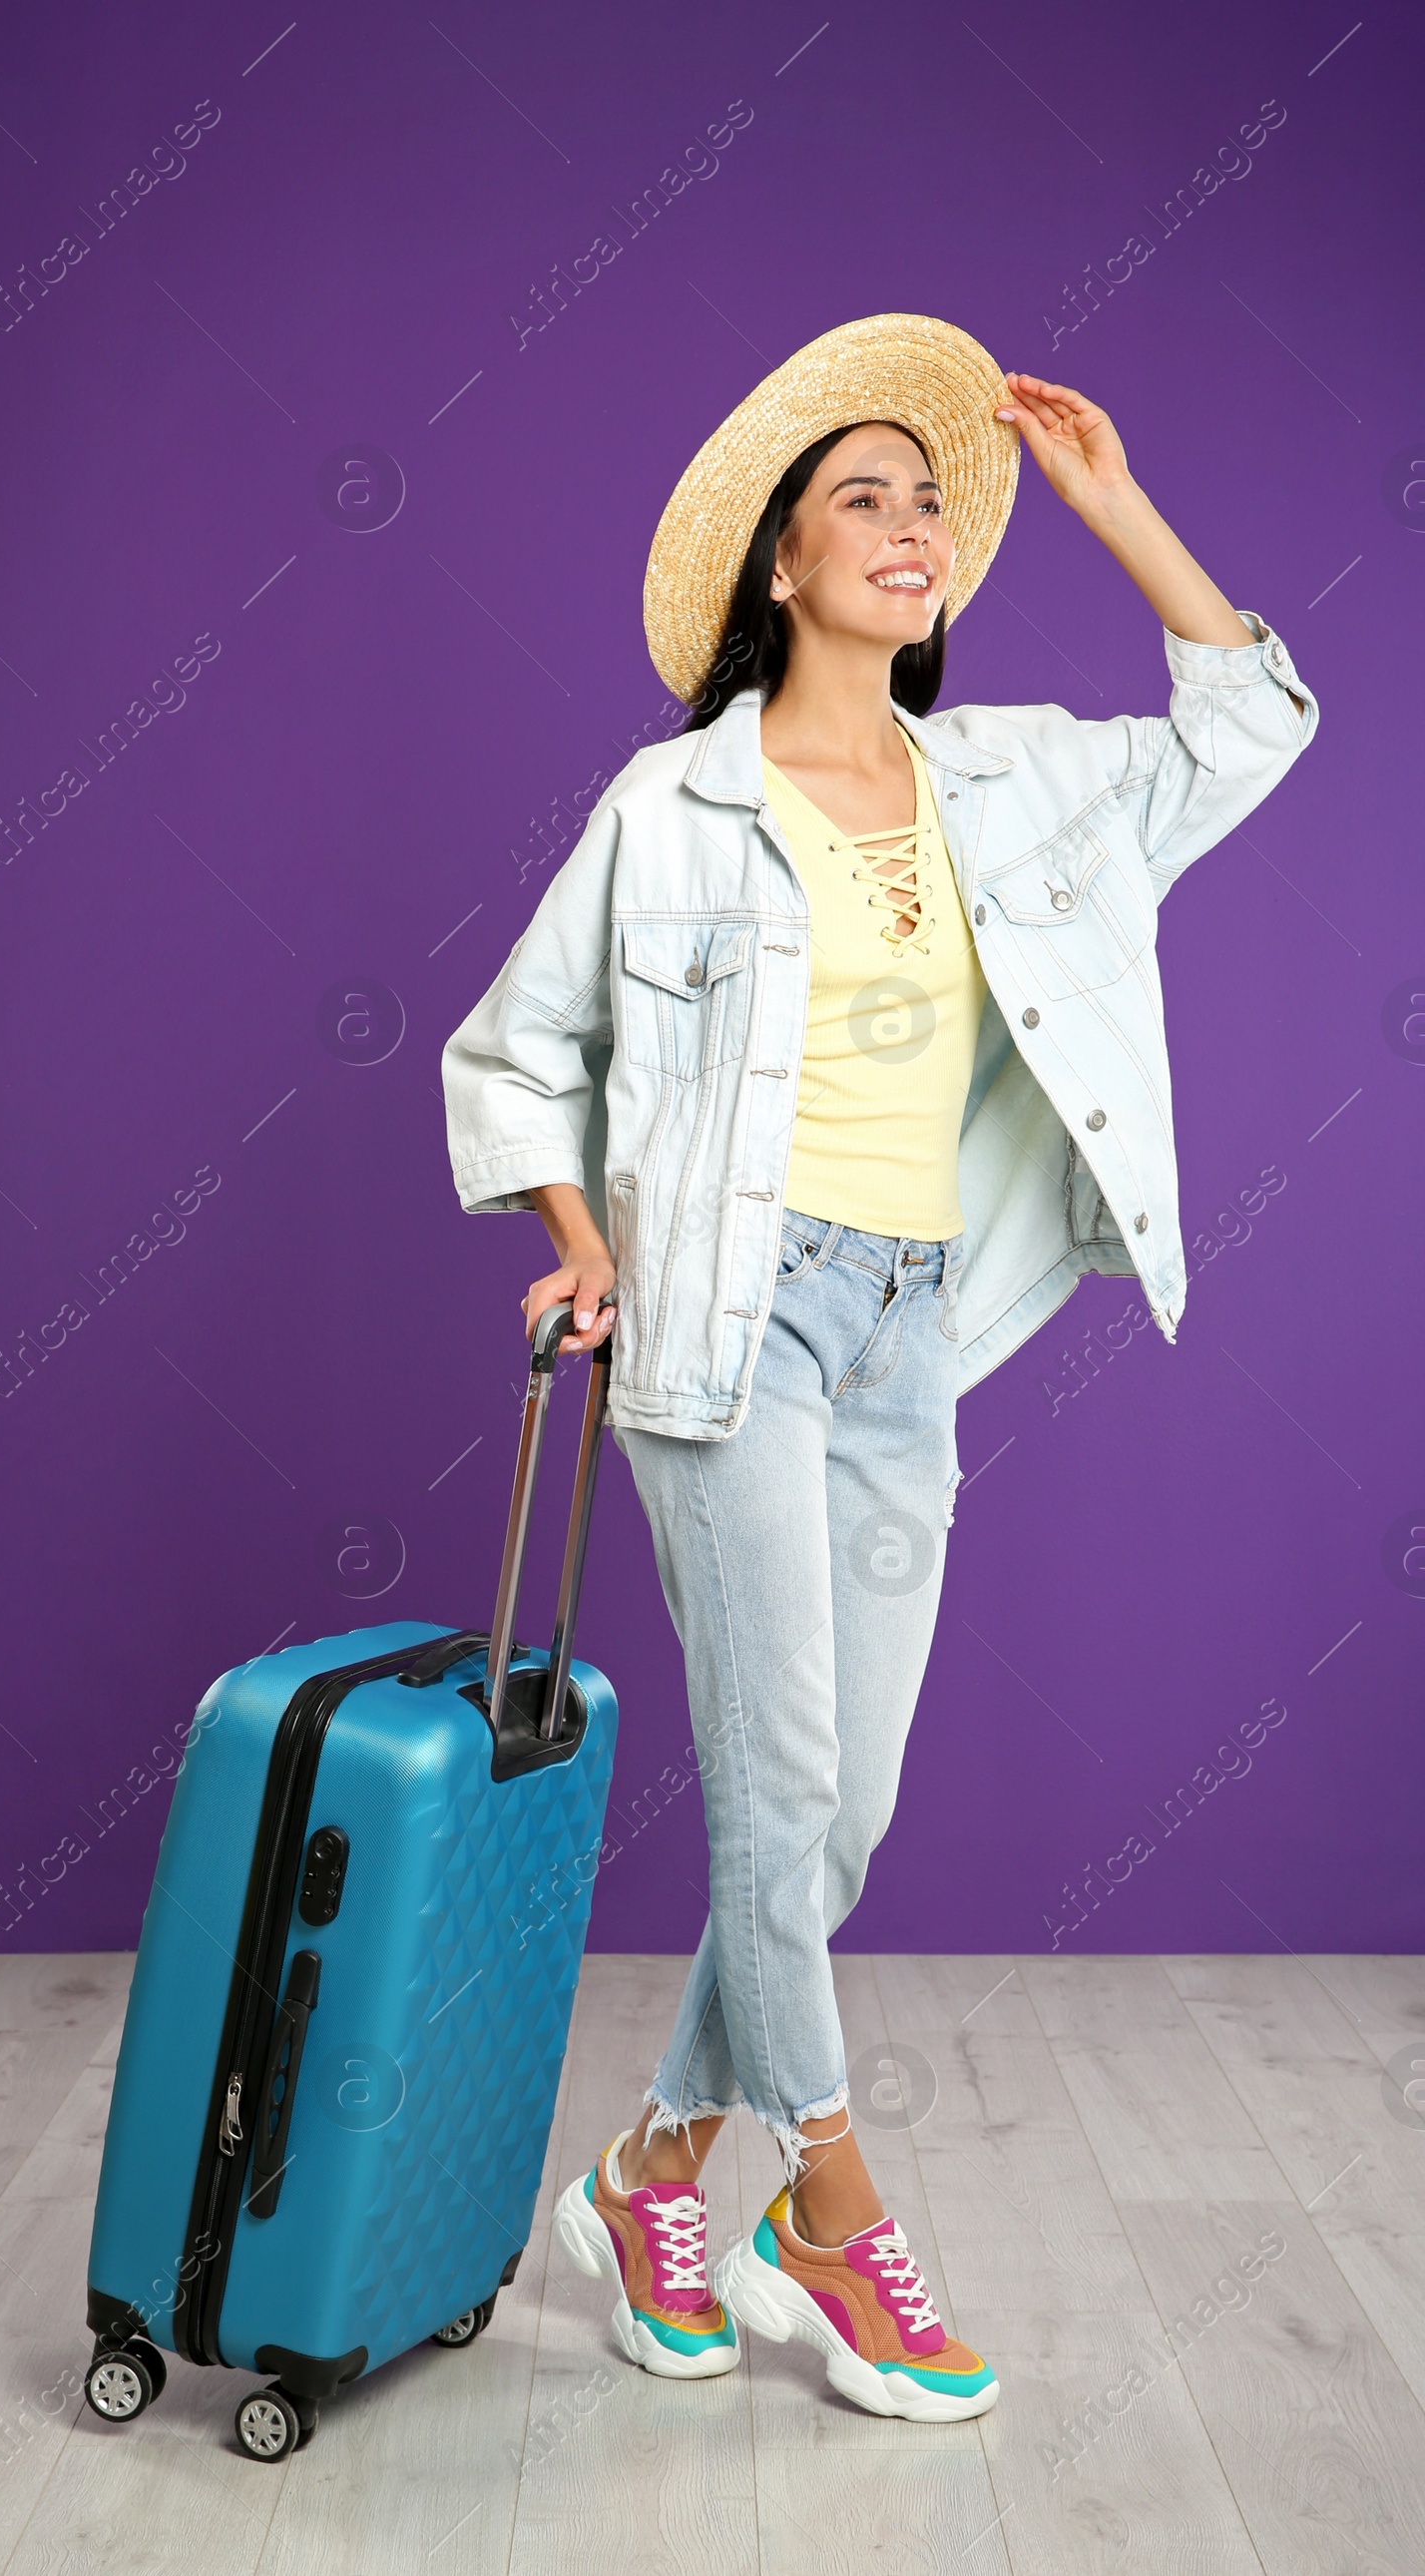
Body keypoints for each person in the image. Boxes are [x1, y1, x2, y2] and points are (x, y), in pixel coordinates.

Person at [441, 313, 1316, 2419]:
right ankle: (825, 2215)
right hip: (724, 1334)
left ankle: (652, 2174)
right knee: (769, 1790)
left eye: (929, 502)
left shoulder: (1010, 775)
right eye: (865, 498)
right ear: (777, 564)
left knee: (843, 1813)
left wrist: (1112, 511)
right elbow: (511, 1052)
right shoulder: (670, 806)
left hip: (908, 1321)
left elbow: (1247, 725)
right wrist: (583, 1254)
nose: (911, 525)